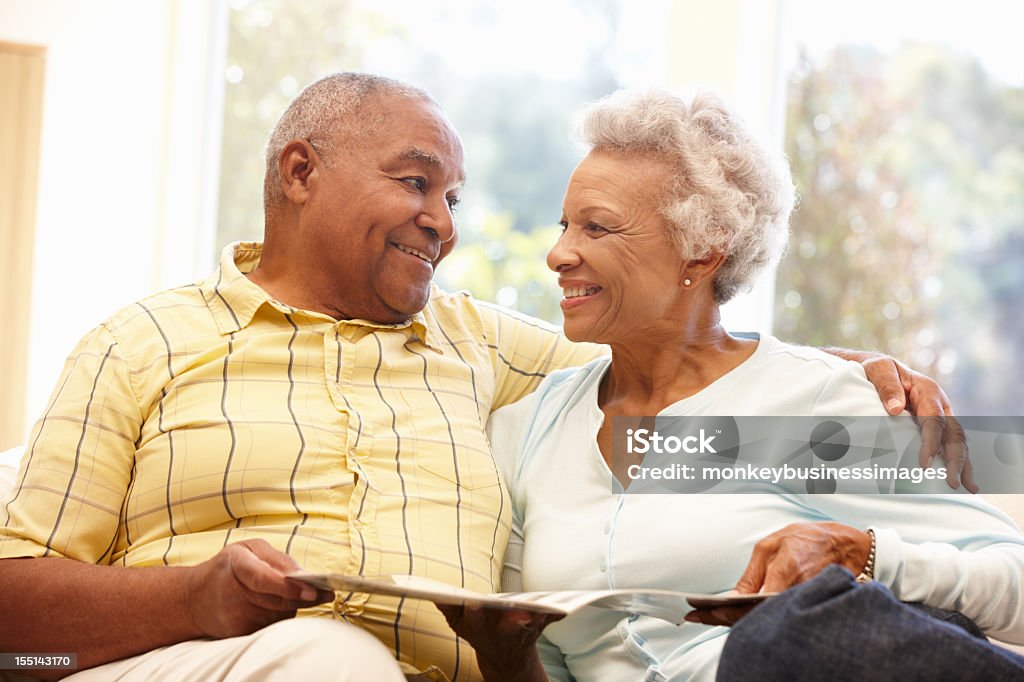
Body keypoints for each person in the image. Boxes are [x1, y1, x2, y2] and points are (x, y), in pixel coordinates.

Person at [0, 73, 974, 682]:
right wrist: (192, 598)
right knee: (330, 660)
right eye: (416, 181)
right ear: (299, 172)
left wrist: (845, 366)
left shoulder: (486, 349)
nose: (445, 221)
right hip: (208, 657)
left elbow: (675, 348)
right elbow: (11, 618)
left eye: (454, 196)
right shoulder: (144, 343)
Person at [442, 88, 1024, 681]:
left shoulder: (810, 403)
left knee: (782, 638)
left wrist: (866, 554)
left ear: (700, 254)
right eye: (565, 224)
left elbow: (1015, 579)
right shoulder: (529, 426)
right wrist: (503, 654)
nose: (558, 253)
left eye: (599, 228)